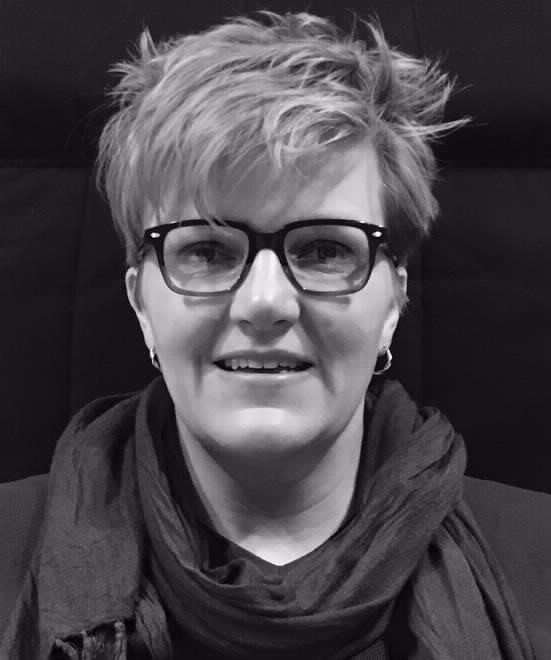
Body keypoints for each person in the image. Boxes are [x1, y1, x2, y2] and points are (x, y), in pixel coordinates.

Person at [1, 9, 549, 659]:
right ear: (141, 302)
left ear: (393, 302)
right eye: (206, 251)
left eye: (323, 250)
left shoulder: (536, 561)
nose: (265, 302)